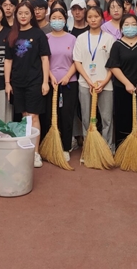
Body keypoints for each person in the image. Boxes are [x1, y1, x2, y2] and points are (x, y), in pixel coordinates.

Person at [4, 1, 51, 168]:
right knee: (24, 116)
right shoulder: (12, 34)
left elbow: (45, 59)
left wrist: (45, 82)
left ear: (32, 15)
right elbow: (8, 60)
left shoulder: (39, 34)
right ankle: (26, 150)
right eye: (20, 13)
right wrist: (7, 82)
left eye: (26, 13)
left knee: (34, 116)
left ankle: (35, 153)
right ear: (16, 15)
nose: (23, 16)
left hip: (35, 81)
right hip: (17, 82)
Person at [106, 14, 137, 148]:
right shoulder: (117, 45)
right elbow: (114, 66)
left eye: (133, 24)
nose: (130, 27)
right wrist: (127, 83)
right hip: (122, 88)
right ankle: (123, 150)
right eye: (126, 25)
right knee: (123, 119)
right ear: (121, 28)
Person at [73, 6, 116, 152]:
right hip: (85, 83)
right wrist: (89, 81)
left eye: (96, 16)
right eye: (90, 17)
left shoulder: (109, 38)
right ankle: (88, 147)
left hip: (105, 83)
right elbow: (77, 62)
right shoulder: (81, 38)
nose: (93, 20)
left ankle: (107, 147)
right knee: (86, 118)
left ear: (102, 18)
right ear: (86, 19)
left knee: (106, 118)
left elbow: (113, 64)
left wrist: (104, 82)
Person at [46, 8, 79, 162]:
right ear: (49, 20)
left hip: (69, 83)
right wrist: (50, 76)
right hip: (50, 83)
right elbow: (43, 60)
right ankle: (52, 146)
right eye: (54, 18)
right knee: (50, 115)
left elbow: (76, 60)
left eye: (60, 18)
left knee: (67, 115)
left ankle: (66, 147)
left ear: (65, 20)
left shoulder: (72, 39)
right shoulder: (45, 38)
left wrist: (67, 76)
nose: (57, 21)